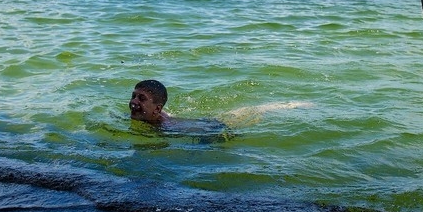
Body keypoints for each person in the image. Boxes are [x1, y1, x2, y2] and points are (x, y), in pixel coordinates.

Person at [128, 79, 312, 130]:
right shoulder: (149, 116)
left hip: (211, 125)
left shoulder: (165, 126)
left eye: (141, 99)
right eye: (134, 96)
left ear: (157, 109)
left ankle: (288, 105)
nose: (133, 102)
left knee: (252, 113)